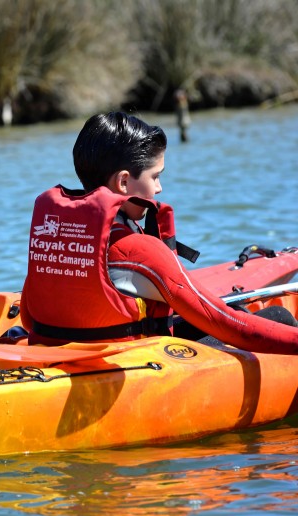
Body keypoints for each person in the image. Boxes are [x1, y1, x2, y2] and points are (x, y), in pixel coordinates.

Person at [20, 111, 298, 353]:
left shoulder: (55, 238)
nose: (159, 188)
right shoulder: (138, 250)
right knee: (276, 316)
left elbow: (29, 319)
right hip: (131, 365)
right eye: (155, 176)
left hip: (61, 352)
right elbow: (225, 323)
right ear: (124, 182)